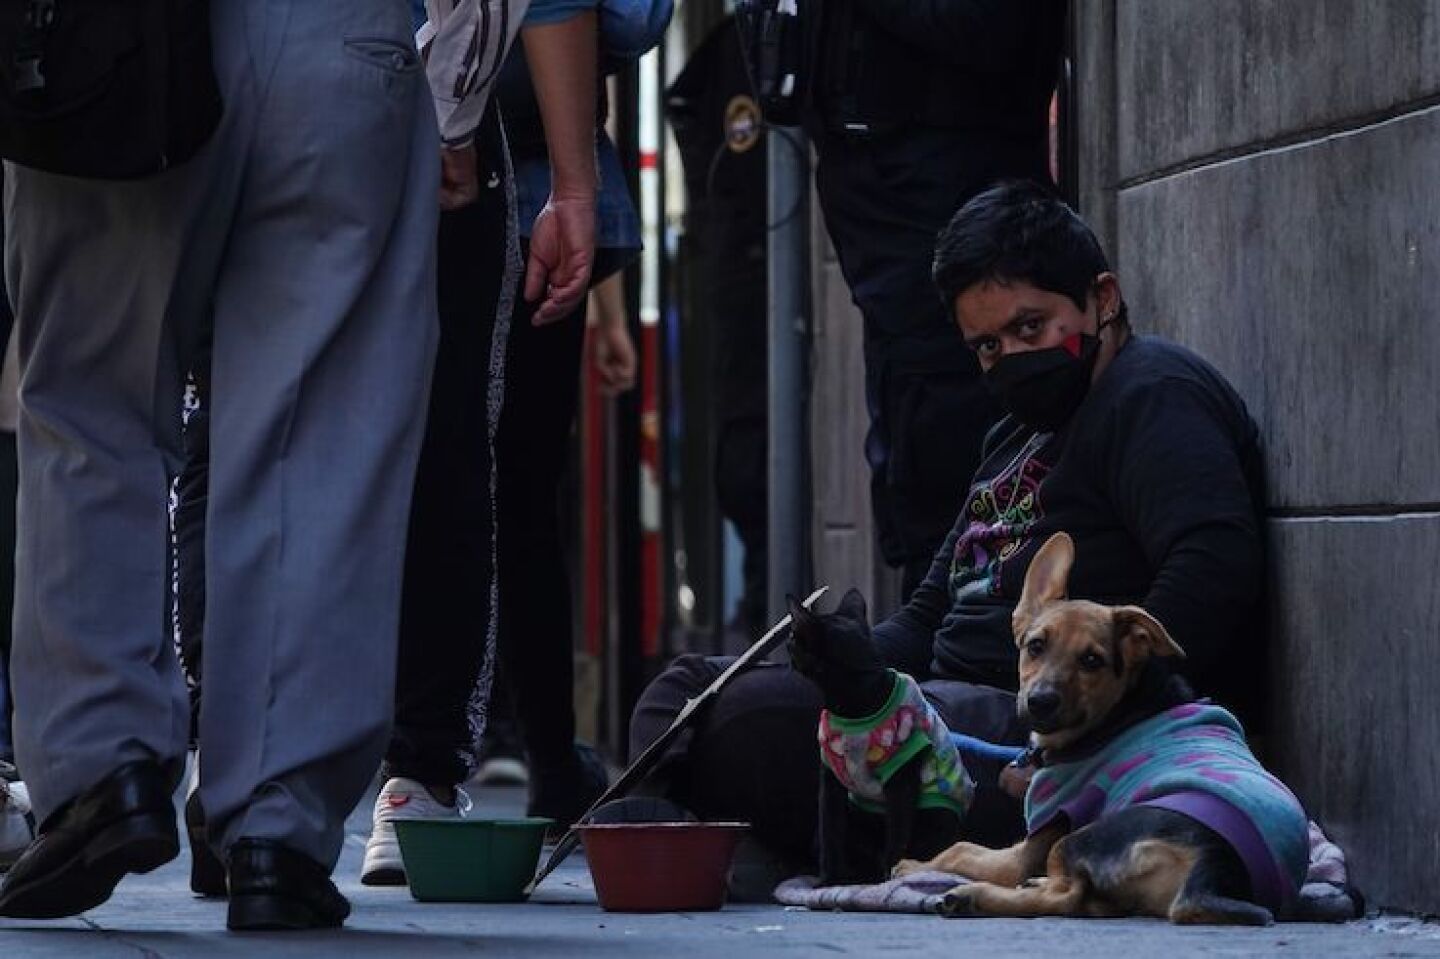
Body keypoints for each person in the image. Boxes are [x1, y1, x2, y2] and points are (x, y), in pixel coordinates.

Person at [0, 0, 588, 931]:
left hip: (112, 36)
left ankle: (102, 762)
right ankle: (277, 820)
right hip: (341, 43)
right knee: (320, 428)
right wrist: (459, 105)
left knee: (90, 404)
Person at [628, 180, 1267, 886]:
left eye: (1031, 328)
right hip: (938, 700)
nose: (1012, 358)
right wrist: (841, 667)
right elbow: (930, 613)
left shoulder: (1149, 392)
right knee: (692, 688)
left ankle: (705, 827)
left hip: (1035, 732)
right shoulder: (1013, 434)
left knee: (747, 721)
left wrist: (1092, 736)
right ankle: (653, 834)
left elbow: (1213, 562)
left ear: (1104, 298)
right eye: (988, 345)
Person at [365, 1, 656, 882]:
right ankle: (445, 758)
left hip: (490, 170)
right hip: (481, 171)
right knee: (490, 482)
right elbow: (630, 20)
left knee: (474, 476)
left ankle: (258, 782)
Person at [802, 0, 1069, 595]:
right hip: (891, 215)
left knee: (952, 452)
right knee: (915, 461)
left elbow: (993, 30)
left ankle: (955, 655)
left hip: (944, 191)